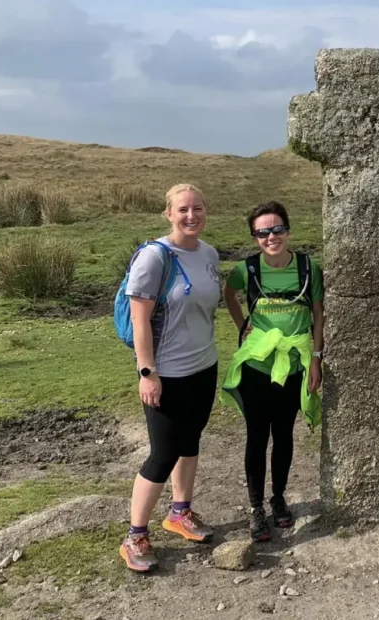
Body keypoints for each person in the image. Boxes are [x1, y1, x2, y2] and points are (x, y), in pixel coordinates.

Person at [119, 183, 221, 573]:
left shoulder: (209, 253)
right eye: (183, 210)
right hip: (166, 372)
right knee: (162, 453)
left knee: (191, 440)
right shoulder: (154, 258)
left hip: (204, 365)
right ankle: (135, 535)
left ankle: (180, 512)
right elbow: (140, 320)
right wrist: (147, 373)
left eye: (198, 208)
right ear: (168, 214)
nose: (191, 215)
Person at [221, 201, 324, 543]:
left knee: (284, 435)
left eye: (277, 229)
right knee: (256, 436)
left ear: (287, 230)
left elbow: (319, 314)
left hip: (294, 365)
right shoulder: (247, 269)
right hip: (257, 366)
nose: (271, 237)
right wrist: (243, 325)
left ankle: (278, 499)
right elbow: (228, 294)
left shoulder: (309, 268)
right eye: (262, 232)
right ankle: (255, 509)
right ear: (255, 237)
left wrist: (317, 358)